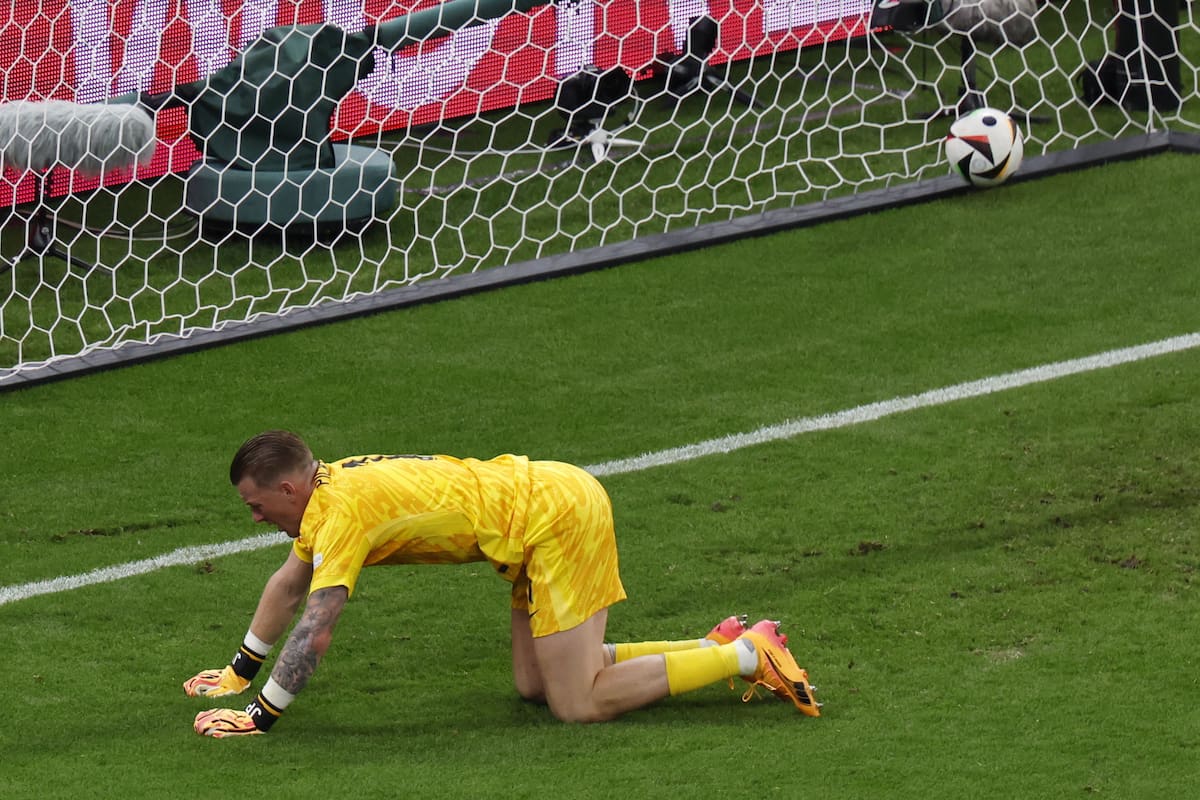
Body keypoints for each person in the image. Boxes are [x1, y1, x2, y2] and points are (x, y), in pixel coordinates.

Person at [185, 430, 820, 737]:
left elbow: (316, 627)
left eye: (257, 505)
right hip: (532, 520)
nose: (256, 516)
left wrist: (257, 717)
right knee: (535, 686)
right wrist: (239, 672)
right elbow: (289, 585)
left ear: (289, 488)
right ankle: (713, 647)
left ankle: (747, 654)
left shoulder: (341, 513)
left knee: (577, 704)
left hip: (556, 517)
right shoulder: (328, 491)